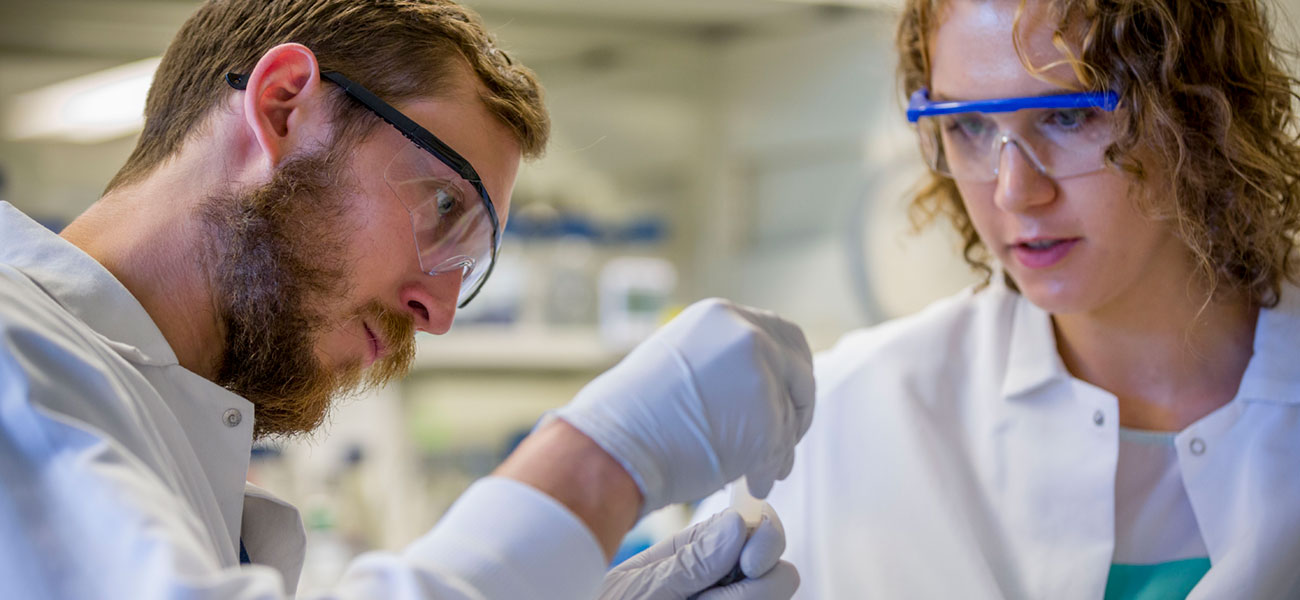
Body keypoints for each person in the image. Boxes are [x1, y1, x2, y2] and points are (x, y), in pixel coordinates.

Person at [0, 1, 812, 599]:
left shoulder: (166, 426)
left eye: (471, 260)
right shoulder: (15, 348)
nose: (441, 313)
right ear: (285, 106)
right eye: (444, 208)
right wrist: (596, 464)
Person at [696, 0, 1300, 597]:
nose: (1013, 192)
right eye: (970, 126)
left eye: (1068, 117)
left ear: (1200, 108)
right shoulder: (844, 420)